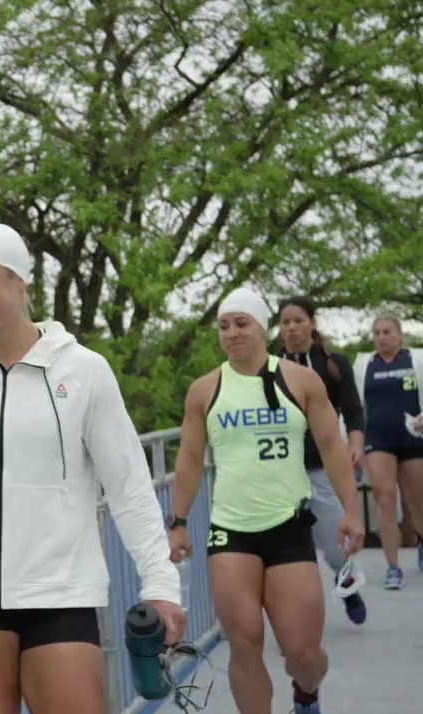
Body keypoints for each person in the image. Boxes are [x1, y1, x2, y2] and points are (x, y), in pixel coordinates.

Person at [0, 223, 185, 714]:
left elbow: (129, 488)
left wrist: (160, 585)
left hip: (61, 590)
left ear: (20, 281)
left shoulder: (84, 371)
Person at [169, 288, 365, 714]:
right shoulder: (205, 390)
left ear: (262, 328)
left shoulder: (300, 381)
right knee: (244, 645)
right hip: (231, 531)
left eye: (242, 324)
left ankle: (306, 694)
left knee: (303, 654)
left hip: (288, 528)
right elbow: (190, 458)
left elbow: (331, 446)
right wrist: (178, 521)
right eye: (224, 326)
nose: (232, 333)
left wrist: (351, 510)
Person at [275, 295, 369, 622]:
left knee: (333, 543)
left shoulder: (333, 363)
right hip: (280, 470)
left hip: (321, 465)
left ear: (312, 323)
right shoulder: (269, 366)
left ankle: (347, 583)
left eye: (298, 321)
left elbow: (353, 410)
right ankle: (298, 611)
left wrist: (355, 443)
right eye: (285, 322)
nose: (292, 328)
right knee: (289, 545)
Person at [351, 312, 423, 587]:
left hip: (413, 438)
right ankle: (393, 567)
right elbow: (354, 406)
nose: (381, 338)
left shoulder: (416, 359)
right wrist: (353, 443)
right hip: (378, 439)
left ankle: (420, 540)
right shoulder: (364, 364)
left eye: (387, 332)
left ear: (399, 335)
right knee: (385, 499)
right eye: (377, 333)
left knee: (417, 501)